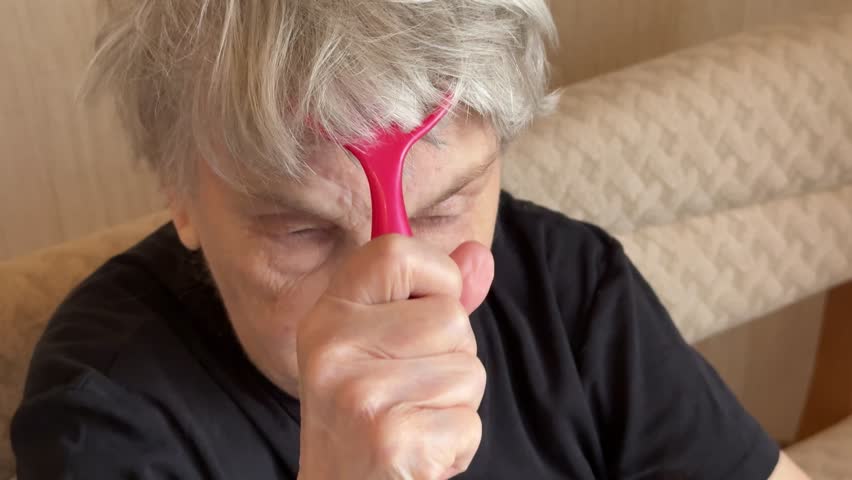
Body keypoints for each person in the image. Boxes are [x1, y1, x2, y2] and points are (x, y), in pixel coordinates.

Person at [12, 1, 810, 478]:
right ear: (179, 195)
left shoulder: (571, 287)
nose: (395, 287)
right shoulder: (102, 415)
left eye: (444, 209)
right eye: (301, 231)